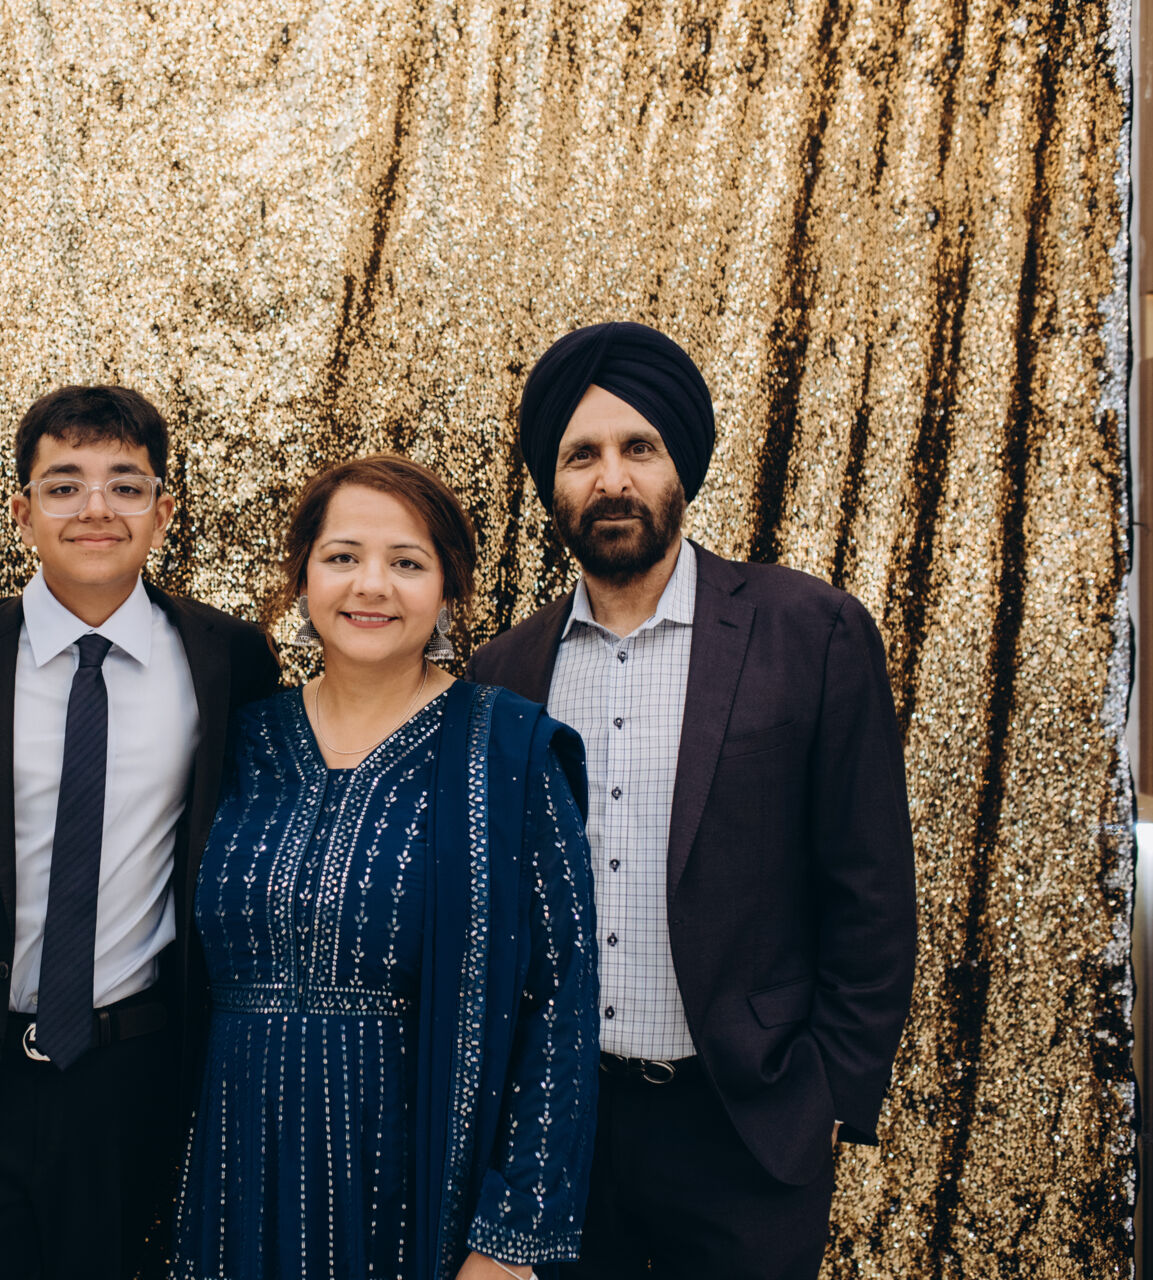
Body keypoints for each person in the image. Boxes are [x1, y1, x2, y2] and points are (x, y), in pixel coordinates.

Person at [467, 321, 918, 1279]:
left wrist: (828, 1095)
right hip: (562, 1131)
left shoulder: (811, 632)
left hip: (746, 1129)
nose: (612, 479)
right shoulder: (504, 671)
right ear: (552, 481)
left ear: (682, 466)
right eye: (581, 455)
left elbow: (872, 889)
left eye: (640, 447)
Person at [170, 454, 599, 1280]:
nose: (371, 585)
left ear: (448, 589)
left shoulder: (509, 753)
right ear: (304, 577)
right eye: (343, 557)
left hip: (412, 1185)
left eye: (407, 562)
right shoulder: (239, 741)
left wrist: (510, 1241)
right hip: (235, 1171)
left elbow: (561, 1003)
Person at [0, 385, 281, 1280]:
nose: (96, 507)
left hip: (135, 1079)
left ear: (163, 512)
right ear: (22, 512)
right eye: (64, 485)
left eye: (126, 485)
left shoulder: (228, 660)